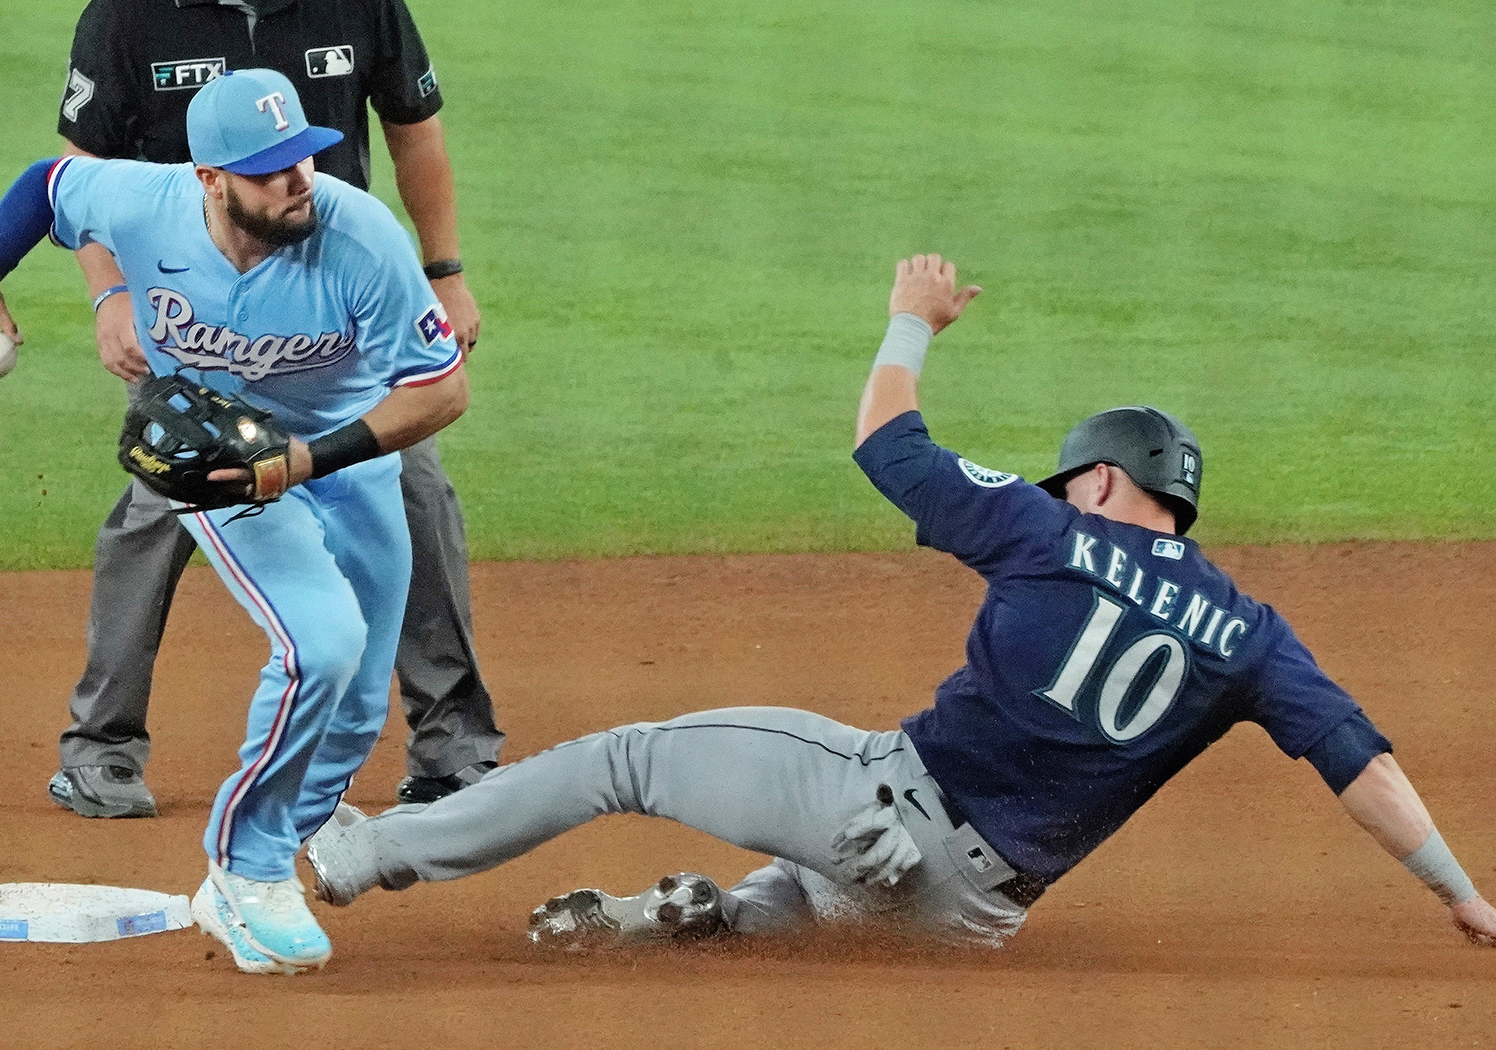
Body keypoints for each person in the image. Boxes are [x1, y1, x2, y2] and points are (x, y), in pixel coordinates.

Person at [303, 254, 1496, 952]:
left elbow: (887, 442)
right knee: (803, 901)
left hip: (881, 809)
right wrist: (1464, 895)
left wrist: (911, 322)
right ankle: (688, 918)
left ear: (1100, 482)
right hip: (971, 916)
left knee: (627, 758)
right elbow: (1362, 767)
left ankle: (371, 855)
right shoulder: (1249, 633)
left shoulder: (1052, 529)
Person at [0, 69, 469, 973]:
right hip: (222, 468)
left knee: (353, 713)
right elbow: (46, 183)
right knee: (321, 644)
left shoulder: (361, 239)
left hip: (347, 460)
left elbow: (440, 391)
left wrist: (309, 461)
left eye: (301, 160)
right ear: (209, 179)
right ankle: (246, 871)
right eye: (268, 172)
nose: (297, 181)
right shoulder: (145, 201)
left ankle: (279, 838)